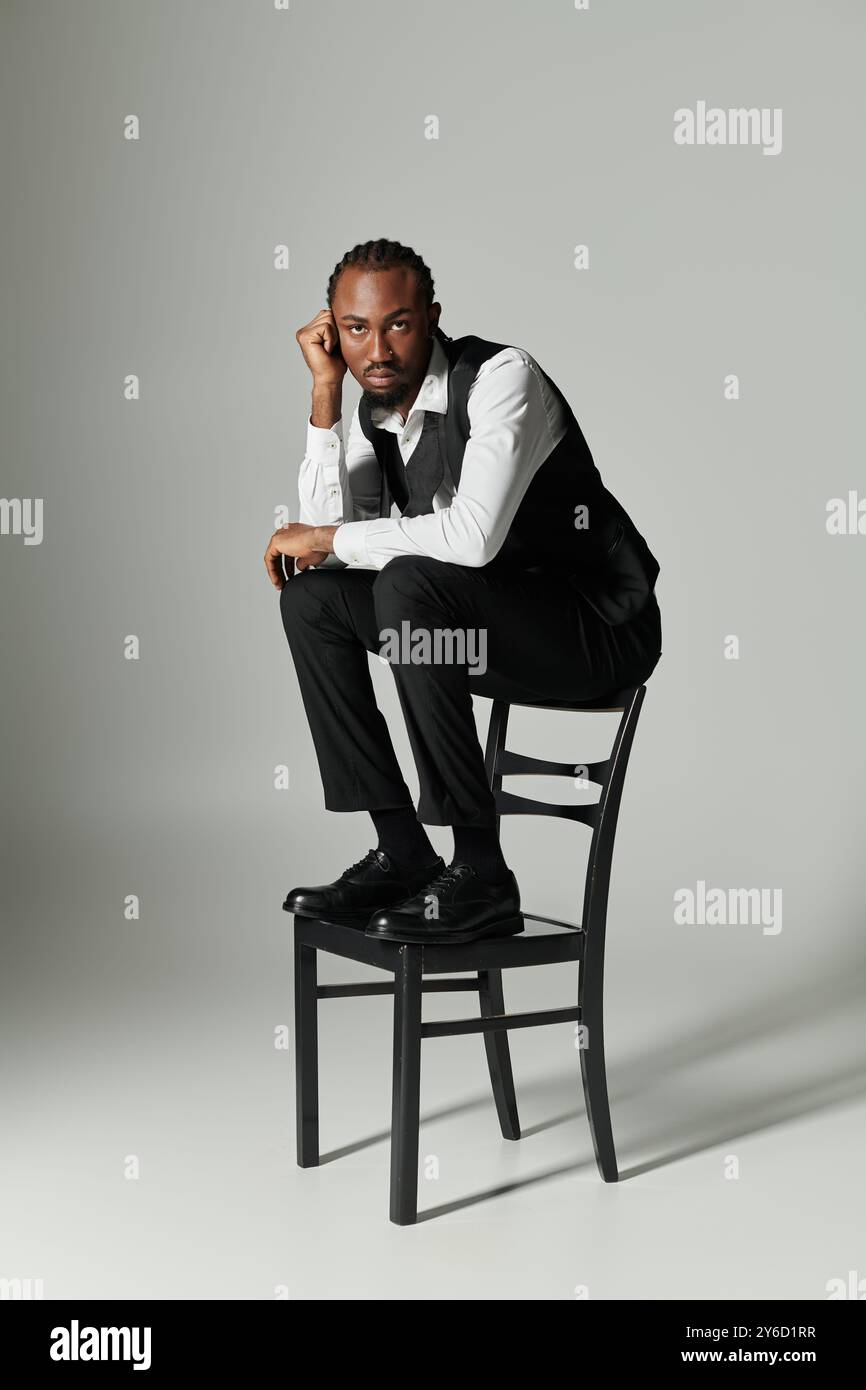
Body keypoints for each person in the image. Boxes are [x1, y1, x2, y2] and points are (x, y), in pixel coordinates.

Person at [265, 238, 662, 945]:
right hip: (476, 629)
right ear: (333, 330)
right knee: (313, 602)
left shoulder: (503, 378)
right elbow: (332, 550)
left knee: (410, 584)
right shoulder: (372, 414)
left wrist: (327, 540)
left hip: (596, 625)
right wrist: (325, 395)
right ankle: (402, 851)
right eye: (355, 329)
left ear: (433, 318)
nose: (376, 349)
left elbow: (472, 537)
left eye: (397, 324)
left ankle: (482, 872)